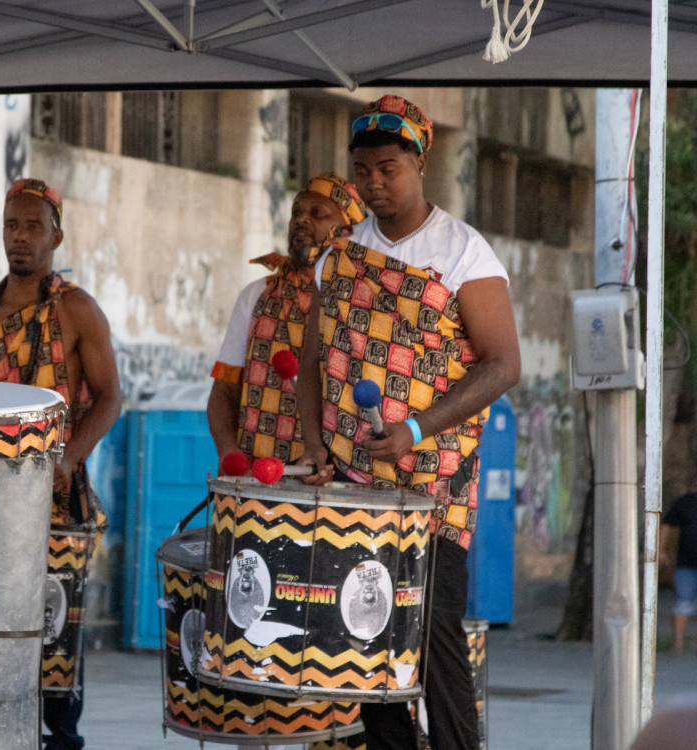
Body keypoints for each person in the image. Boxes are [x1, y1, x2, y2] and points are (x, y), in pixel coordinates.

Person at [295, 95, 521, 750]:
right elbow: (310, 363)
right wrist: (313, 446)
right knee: (361, 642)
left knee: (434, 637)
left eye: (389, 168)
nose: (374, 184)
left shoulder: (464, 253)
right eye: (362, 171)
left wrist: (416, 429)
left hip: (435, 490)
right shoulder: (338, 256)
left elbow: (503, 365)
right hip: (349, 487)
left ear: (421, 161)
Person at [0, 178, 121, 750]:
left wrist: (69, 458)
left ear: (56, 236)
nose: (19, 238)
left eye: (31, 227)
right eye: (10, 226)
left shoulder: (78, 311)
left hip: (55, 504)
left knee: (52, 651)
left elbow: (109, 398)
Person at [207, 173, 366, 468]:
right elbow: (223, 390)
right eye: (296, 213)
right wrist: (229, 452)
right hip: (256, 479)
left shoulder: (363, 303)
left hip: (336, 482)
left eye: (316, 213)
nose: (301, 220)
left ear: (349, 230)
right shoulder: (256, 296)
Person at [661, 490, 697, 654]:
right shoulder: (685, 502)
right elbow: (667, 525)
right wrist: (660, 550)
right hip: (686, 563)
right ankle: (677, 646)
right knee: (682, 603)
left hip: (686, 564)